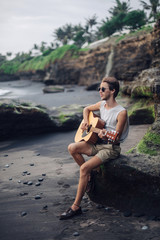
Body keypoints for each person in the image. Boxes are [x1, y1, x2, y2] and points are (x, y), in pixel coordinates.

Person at [59, 76, 129, 220]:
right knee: (72, 147)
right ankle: (90, 176)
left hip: (110, 148)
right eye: (99, 89)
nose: (100, 91)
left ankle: (76, 207)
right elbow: (86, 109)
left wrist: (97, 131)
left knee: (84, 168)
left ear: (113, 91)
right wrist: (86, 123)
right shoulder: (102, 105)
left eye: (103, 89)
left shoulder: (121, 112)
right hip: (96, 143)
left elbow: (115, 137)